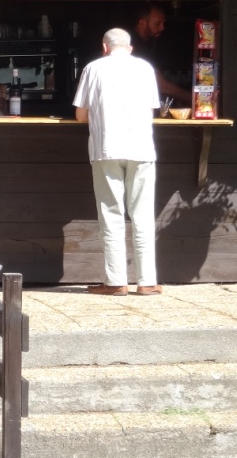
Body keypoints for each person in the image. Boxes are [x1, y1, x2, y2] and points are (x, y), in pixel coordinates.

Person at [73, 28, 163, 296]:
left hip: (106, 148)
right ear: (130, 48)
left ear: (104, 47)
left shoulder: (93, 68)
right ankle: (147, 281)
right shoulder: (145, 68)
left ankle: (116, 282)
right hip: (142, 149)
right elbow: (151, 109)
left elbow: (80, 116)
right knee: (142, 213)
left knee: (111, 213)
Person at [131, 2, 190, 106]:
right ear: (142, 23)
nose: (162, 28)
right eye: (157, 23)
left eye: (163, 23)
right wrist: (191, 98)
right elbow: (161, 85)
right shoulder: (135, 46)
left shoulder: (148, 44)